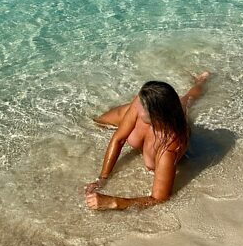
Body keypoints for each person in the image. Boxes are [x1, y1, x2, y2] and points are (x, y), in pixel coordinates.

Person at [85, 71, 211, 210]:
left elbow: (159, 198)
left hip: (169, 123)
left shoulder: (170, 144)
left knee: (186, 100)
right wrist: (102, 178)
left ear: (156, 115)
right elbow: (119, 139)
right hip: (150, 116)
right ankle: (200, 81)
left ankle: (202, 81)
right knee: (96, 123)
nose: (137, 105)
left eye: (143, 107)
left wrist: (113, 202)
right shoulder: (141, 102)